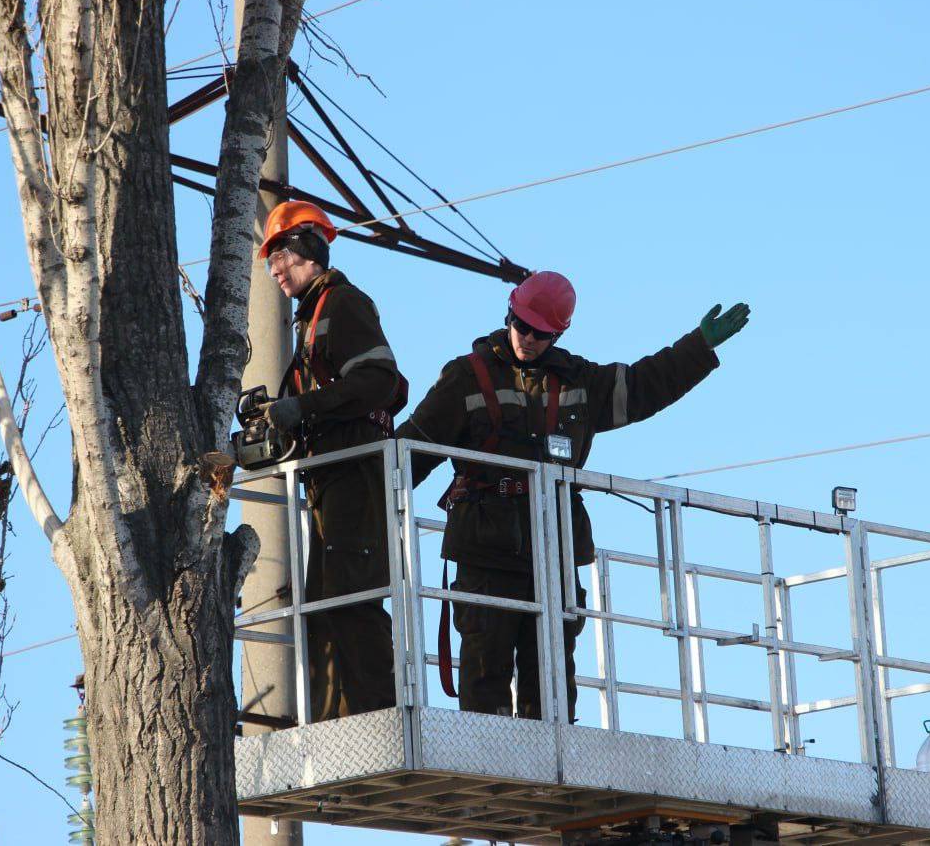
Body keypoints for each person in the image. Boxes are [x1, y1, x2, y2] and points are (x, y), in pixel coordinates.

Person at [396, 270, 749, 722]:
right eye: (521, 325)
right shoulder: (467, 378)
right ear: (509, 313)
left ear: (558, 333)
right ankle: (488, 762)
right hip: (485, 548)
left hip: (555, 545)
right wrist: (366, 500)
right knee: (485, 664)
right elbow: (411, 450)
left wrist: (698, 348)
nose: (527, 338)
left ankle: (551, 763)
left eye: (541, 334)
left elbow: (642, 385)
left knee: (552, 671)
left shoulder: (578, 381)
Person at [258, 200, 405, 721]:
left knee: (351, 598)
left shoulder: (343, 306)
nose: (275, 270)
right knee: (320, 606)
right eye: (272, 261)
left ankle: (376, 721)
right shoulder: (309, 320)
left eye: (282, 257)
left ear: (309, 251)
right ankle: (332, 723)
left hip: (354, 473)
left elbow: (380, 382)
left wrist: (305, 406)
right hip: (328, 479)